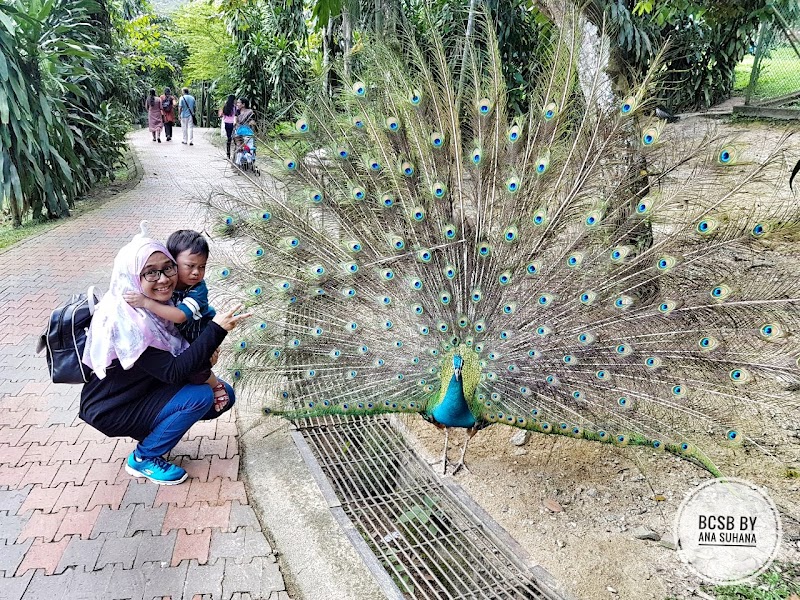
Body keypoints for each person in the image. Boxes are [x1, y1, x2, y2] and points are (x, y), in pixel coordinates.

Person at [80, 230, 250, 485]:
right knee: (201, 396)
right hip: (113, 407)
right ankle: (144, 458)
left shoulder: (158, 309)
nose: (163, 279)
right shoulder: (130, 323)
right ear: (133, 276)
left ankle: (154, 434)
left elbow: (180, 355)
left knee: (222, 395)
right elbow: (174, 371)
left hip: (143, 390)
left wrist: (204, 353)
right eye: (150, 272)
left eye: (168, 268)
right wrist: (216, 330)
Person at [122, 230, 230, 413]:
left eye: (202, 267)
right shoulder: (167, 283)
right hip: (181, 335)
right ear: (173, 262)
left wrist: (146, 302)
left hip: (197, 333)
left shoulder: (198, 290)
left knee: (196, 371)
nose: (196, 272)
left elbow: (180, 316)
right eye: (190, 266)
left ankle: (215, 384)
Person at [219, 95, 236, 159]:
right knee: (234, 138)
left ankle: (228, 154)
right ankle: (235, 153)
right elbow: (235, 115)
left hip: (226, 123)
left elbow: (221, 115)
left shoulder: (225, 106)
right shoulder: (234, 107)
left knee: (229, 138)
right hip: (233, 123)